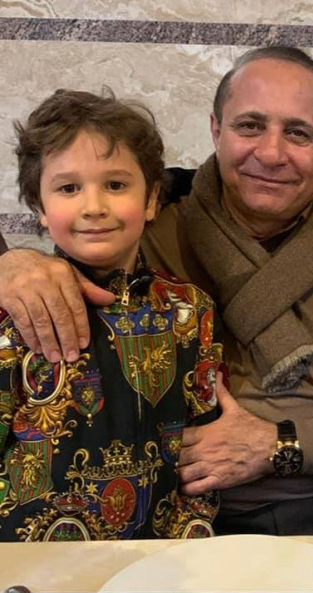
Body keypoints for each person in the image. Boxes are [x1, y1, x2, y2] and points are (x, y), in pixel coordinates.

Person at [0, 49, 313, 536]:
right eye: (250, 126)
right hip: (180, 517)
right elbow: (79, 232)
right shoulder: (150, 234)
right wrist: (14, 263)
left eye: (298, 133)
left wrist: (279, 445)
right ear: (216, 130)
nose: (270, 153)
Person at [0, 90, 223, 541]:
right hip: (31, 559)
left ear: (152, 199)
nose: (94, 206)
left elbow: (202, 449)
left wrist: (193, 541)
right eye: (68, 188)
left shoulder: (190, 310)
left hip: (158, 558)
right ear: (40, 208)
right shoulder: (15, 312)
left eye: (116, 185)